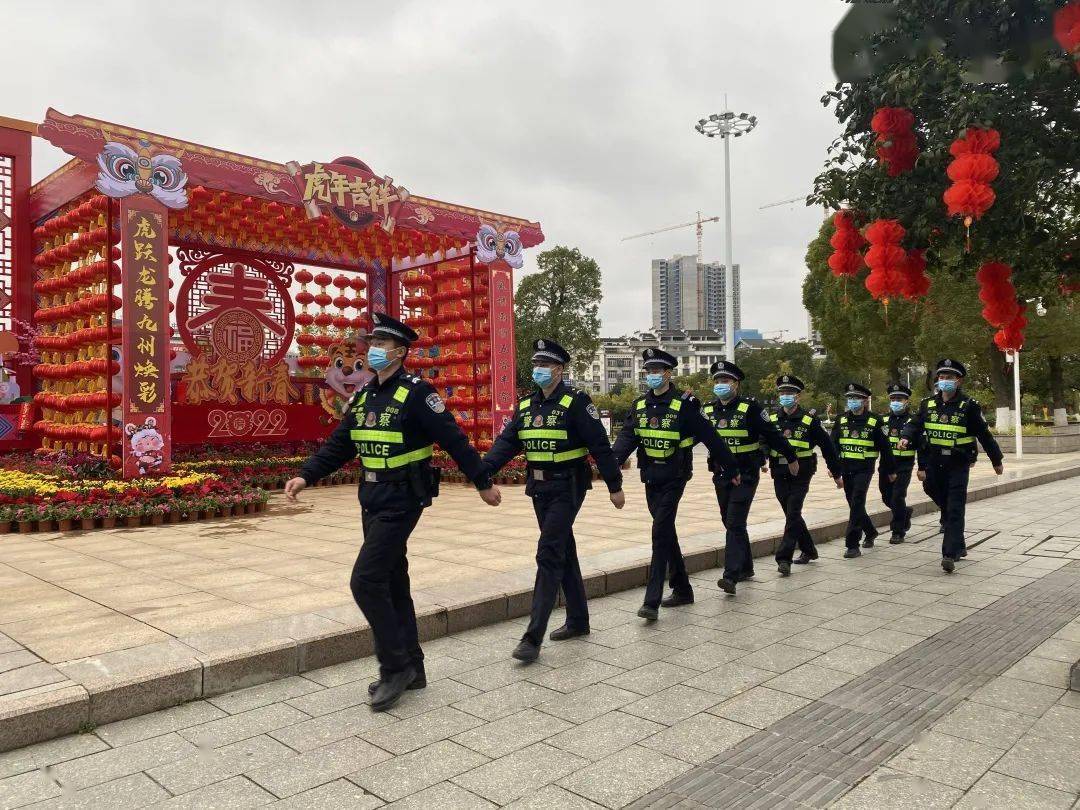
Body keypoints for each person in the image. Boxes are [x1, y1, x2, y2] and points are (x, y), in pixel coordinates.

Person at [285, 313, 501, 712]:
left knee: (365, 581)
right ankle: (414, 667)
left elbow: (453, 438)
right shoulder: (366, 394)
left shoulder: (418, 393)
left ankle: (394, 667)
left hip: (404, 498)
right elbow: (340, 443)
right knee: (391, 580)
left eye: (381, 346)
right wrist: (306, 475)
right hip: (371, 497)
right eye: (372, 345)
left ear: (400, 352)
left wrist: (482, 481)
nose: (372, 352)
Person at [484, 338, 625, 662]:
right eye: (536, 365)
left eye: (545, 365)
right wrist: (482, 472)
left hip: (567, 487)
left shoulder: (576, 402)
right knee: (563, 550)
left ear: (559, 370)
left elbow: (599, 446)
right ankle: (578, 620)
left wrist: (614, 485)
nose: (539, 371)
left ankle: (532, 638)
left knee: (548, 552)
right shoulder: (526, 406)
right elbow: (506, 444)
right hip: (539, 489)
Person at [612, 348, 739, 620]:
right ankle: (682, 589)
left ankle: (651, 601)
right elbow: (626, 438)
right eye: (649, 371)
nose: (653, 376)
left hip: (675, 476)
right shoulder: (640, 405)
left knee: (659, 532)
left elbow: (712, 437)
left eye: (658, 371)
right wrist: (610, 464)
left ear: (669, 373)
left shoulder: (686, 404)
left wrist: (731, 467)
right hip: (650, 477)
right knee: (666, 531)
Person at [898, 358, 1004, 573]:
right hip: (934, 463)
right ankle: (959, 543)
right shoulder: (927, 404)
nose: (944, 381)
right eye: (941, 377)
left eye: (949, 377)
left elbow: (984, 434)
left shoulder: (969, 406)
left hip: (958, 463)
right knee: (936, 494)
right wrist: (906, 437)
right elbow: (914, 424)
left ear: (959, 381)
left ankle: (949, 554)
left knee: (955, 506)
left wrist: (996, 460)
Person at [704, 360, 797, 595]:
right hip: (721, 473)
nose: (720, 385)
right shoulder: (706, 410)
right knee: (730, 521)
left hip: (746, 473)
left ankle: (731, 575)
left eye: (725, 381)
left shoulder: (750, 408)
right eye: (717, 381)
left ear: (736, 383)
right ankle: (745, 567)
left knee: (734, 522)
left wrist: (790, 456)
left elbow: (772, 435)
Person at [767, 374, 843, 576]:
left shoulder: (809, 420)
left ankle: (784, 558)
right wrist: (761, 461)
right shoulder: (772, 419)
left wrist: (837, 473)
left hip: (802, 473)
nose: (785, 396)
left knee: (793, 512)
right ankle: (809, 549)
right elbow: (764, 442)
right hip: (779, 472)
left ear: (798, 397)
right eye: (782, 393)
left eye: (789, 393)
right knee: (791, 514)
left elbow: (828, 448)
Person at [832, 382, 896, 558]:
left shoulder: (875, 421)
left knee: (858, 501)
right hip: (846, 468)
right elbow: (834, 446)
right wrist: (834, 467)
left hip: (864, 469)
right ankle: (870, 531)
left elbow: (886, 448)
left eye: (857, 398)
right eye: (850, 398)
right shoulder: (841, 419)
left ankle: (852, 544)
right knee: (853, 503)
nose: (853, 401)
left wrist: (890, 470)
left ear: (865, 401)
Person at [879, 382, 918, 543]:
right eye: (893, 398)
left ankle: (898, 531)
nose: (896, 401)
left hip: (904, 465)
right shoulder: (883, 420)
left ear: (906, 401)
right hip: (886, 466)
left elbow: (921, 445)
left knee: (897, 497)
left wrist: (922, 467)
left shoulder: (913, 420)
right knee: (886, 497)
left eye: (899, 399)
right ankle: (905, 512)